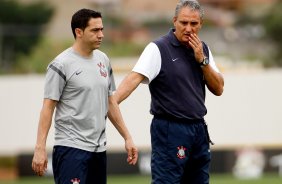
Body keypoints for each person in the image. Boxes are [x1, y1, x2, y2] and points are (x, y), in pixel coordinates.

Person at [114, 0, 224, 183]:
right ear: (174, 21)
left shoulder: (202, 49)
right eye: (184, 23)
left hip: (198, 129)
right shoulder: (158, 48)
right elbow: (132, 79)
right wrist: (110, 103)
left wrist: (202, 61)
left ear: (201, 24)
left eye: (194, 24)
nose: (188, 28)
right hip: (170, 129)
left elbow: (219, 88)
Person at [31, 8, 138, 184]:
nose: (101, 34)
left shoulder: (103, 59)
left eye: (102, 29)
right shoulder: (60, 64)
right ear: (78, 32)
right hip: (71, 148)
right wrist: (40, 148)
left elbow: (110, 101)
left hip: (98, 150)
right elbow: (47, 108)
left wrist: (127, 137)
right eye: (95, 30)